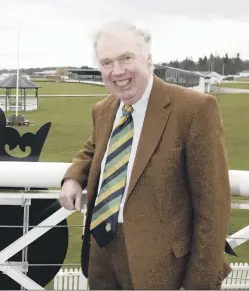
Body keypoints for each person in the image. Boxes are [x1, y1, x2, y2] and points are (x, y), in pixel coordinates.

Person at [59, 22, 232, 290]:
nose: (117, 71)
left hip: (162, 266)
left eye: (126, 58)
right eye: (107, 63)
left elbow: (213, 206)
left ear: (149, 59)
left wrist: (200, 284)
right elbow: (93, 149)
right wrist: (73, 177)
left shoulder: (194, 109)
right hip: (101, 251)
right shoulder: (104, 109)